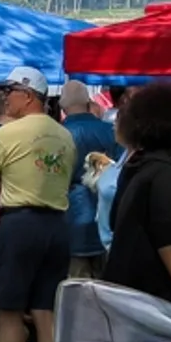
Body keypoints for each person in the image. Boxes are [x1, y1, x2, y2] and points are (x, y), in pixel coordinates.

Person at [0, 67, 77, 342]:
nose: (5, 98)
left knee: (9, 312)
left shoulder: (7, 134)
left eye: (10, 92)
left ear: (28, 96)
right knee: (45, 314)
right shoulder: (65, 136)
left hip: (19, 224)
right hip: (57, 227)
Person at [101, 85, 171, 312]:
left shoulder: (134, 164)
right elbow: (163, 229)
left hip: (123, 276)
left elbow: (113, 218)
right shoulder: (163, 171)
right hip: (153, 285)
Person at [59, 81, 120, 281]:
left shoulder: (58, 135)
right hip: (108, 219)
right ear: (88, 102)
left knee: (76, 290)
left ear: (63, 106)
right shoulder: (111, 131)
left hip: (71, 219)